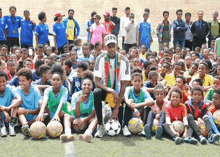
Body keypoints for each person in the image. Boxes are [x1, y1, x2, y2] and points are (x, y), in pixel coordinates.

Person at [94, 34, 130, 138]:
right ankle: (100, 125)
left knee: (127, 96)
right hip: (105, 88)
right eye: (109, 47)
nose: (111, 49)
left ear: (116, 46)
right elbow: (97, 82)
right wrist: (110, 90)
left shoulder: (124, 61)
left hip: (119, 90)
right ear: (105, 47)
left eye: (113, 46)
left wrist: (116, 109)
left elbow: (124, 85)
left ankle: (124, 126)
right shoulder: (100, 58)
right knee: (96, 93)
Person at [60, 71, 97, 142]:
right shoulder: (75, 96)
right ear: (81, 85)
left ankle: (86, 134)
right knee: (66, 116)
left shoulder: (94, 96)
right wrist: (78, 103)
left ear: (92, 86)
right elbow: (76, 115)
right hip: (76, 120)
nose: (86, 86)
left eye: (89, 85)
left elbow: (93, 114)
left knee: (95, 119)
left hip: (87, 120)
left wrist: (84, 120)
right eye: (84, 84)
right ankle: (68, 134)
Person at [15, 68, 42, 136]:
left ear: (29, 81)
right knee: (20, 112)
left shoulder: (35, 91)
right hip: (23, 116)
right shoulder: (17, 90)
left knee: (40, 117)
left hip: (34, 117)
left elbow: (37, 111)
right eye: (20, 81)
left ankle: (27, 125)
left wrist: (26, 111)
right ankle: (25, 127)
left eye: (23, 81)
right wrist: (23, 111)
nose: (21, 83)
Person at [0, 71, 22, 137]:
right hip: (2, 115)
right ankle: (1, 127)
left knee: (15, 102)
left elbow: (20, 100)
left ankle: (11, 126)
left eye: (3, 81)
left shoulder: (10, 88)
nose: (2, 84)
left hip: (9, 115)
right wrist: (4, 111)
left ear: (7, 81)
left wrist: (8, 108)